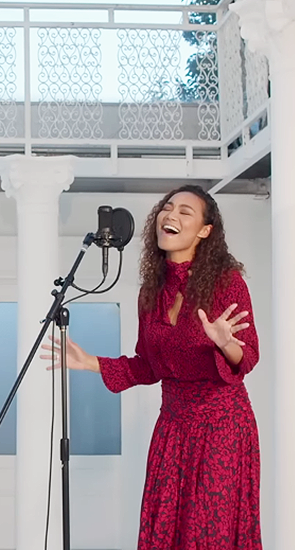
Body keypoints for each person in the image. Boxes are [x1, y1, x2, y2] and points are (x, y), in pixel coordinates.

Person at [41, 184, 262, 549]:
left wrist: (226, 343)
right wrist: (90, 362)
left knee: (208, 532)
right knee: (165, 529)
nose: (170, 215)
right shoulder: (151, 292)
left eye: (185, 212)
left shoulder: (227, 283)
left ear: (205, 231)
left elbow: (248, 357)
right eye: (167, 208)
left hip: (221, 429)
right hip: (172, 429)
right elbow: (149, 366)